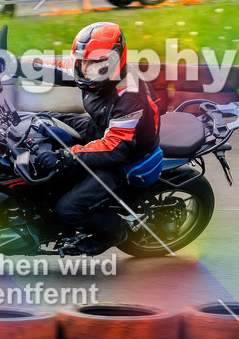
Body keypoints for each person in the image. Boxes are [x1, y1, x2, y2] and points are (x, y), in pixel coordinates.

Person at [30, 22, 161, 255]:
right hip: (101, 128)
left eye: (94, 64)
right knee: (41, 119)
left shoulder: (130, 94)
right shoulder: (89, 67)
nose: (86, 69)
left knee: (67, 210)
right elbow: (53, 66)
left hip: (125, 159)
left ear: (113, 61)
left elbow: (114, 148)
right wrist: (10, 65)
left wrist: (64, 157)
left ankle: (115, 232)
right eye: (82, 62)